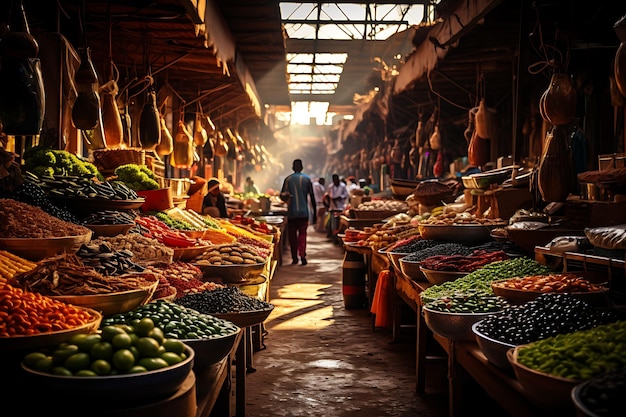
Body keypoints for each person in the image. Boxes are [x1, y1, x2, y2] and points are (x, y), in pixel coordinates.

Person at [281, 159, 316, 265]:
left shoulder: (288, 179)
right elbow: (312, 197)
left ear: (292, 167)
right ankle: (302, 255)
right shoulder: (307, 179)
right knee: (302, 235)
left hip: (292, 212)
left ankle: (294, 258)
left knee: (292, 236)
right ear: (302, 167)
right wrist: (315, 213)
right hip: (304, 212)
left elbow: (282, 195)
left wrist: (287, 198)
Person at [326, 173, 348, 239]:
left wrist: (340, 197)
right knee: (334, 224)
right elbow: (328, 195)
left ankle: (339, 236)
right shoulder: (330, 186)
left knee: (340, 224)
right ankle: (334, 237)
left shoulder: (343, 186)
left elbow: (346, 194)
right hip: (333, 208)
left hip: (341, 207)